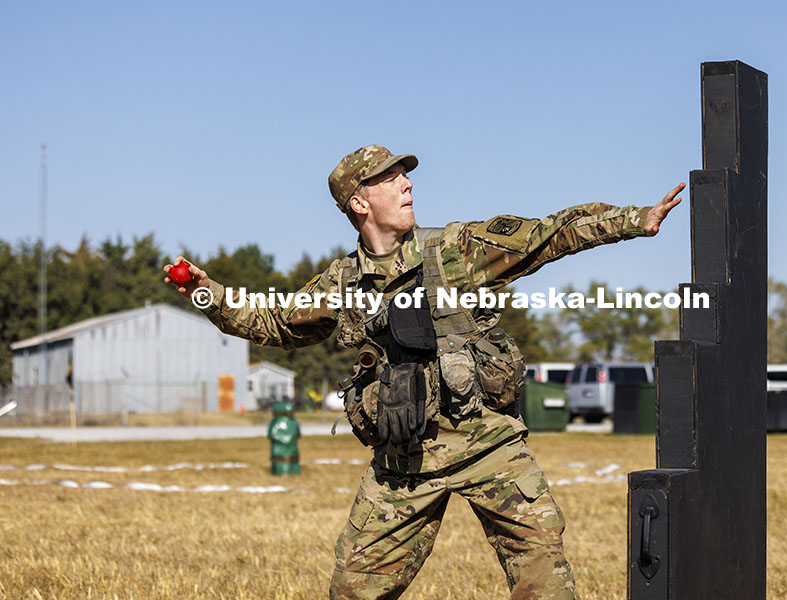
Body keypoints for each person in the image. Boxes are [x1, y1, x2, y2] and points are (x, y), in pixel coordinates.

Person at [164, 145, 683, 599]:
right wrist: (205, 292)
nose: (408, 183)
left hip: (489, 449)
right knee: (352, 589)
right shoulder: (342, 283)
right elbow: (273, 321)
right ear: (359, 202)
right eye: (390, 178)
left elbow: (550, 233)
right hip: (403, 463)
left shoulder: (454, 250)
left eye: (405, 174)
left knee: (543, 580)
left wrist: (635, 220)